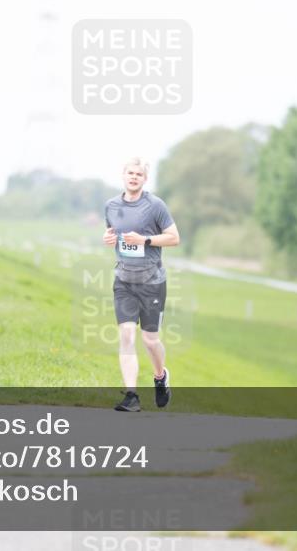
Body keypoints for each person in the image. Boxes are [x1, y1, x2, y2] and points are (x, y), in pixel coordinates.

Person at [102, 157, 180, 412]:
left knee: (149, 340)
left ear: (144, 179)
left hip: (152, 282)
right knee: (126, 334)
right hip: (124, 280)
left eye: (139, 174)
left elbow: (174, 238)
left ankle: (160, 377)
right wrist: (108, 238)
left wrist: (145, 240)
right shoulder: (111, 206)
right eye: (130, 173)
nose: (134, 177)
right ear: (123, 176)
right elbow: (114, 235)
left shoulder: (155, 205)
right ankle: (132, 396)